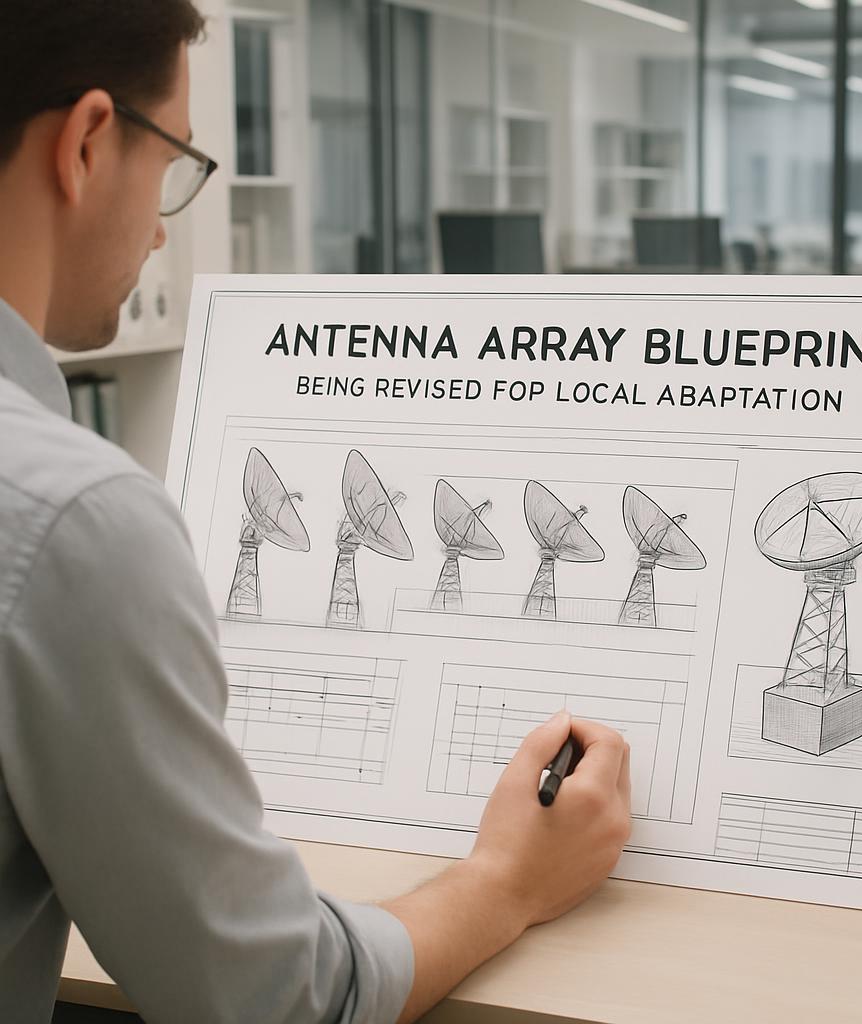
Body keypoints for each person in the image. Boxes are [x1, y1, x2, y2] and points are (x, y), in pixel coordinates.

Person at [0, 3, 632, 1022]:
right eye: (169, 163)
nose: (163, 225)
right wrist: (510, 877)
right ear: (84, 144)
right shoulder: (73, 520)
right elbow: (274, 999)